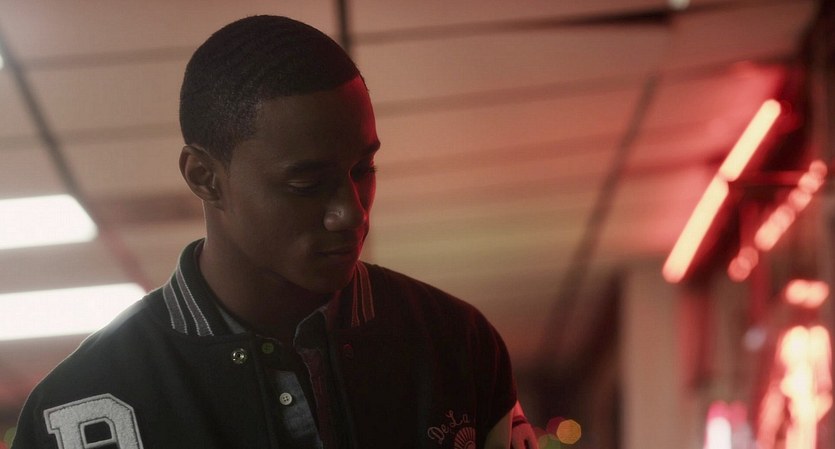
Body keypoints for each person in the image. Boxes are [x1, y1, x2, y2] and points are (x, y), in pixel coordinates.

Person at [12, 15, 534, 449]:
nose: (351, 213)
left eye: (363, 170)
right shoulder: (77, 408)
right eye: (307, 185)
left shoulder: (455, 343)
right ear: (205, 178)